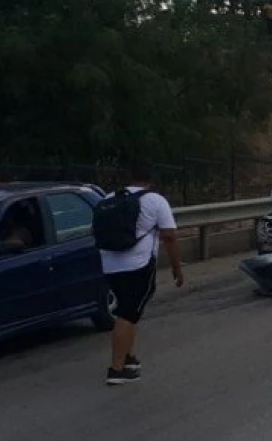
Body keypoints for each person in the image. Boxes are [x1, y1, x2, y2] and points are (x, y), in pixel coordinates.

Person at [99, 162, 184, 385]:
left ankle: (127, 357)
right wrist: (177, 266)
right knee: (128, 313)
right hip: (138, 265)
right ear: (151, 180)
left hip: (109, 264)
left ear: (130, 177)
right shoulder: (155, 200)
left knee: (129, 310)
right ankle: (116, 369)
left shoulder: (109, 197)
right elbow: (170, 236)